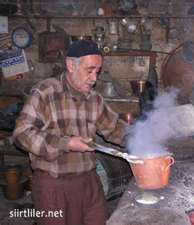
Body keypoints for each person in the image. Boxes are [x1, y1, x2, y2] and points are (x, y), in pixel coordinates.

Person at [13, 40, 127, 225]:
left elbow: (115, 129)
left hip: (89, 181)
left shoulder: (94, 99)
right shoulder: (45, 92)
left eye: (97, 72)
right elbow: (21, 134)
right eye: (89, 70)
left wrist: (145, 140)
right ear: (71, 65)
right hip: (53, 185)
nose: (94, 78)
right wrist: (66, 143)